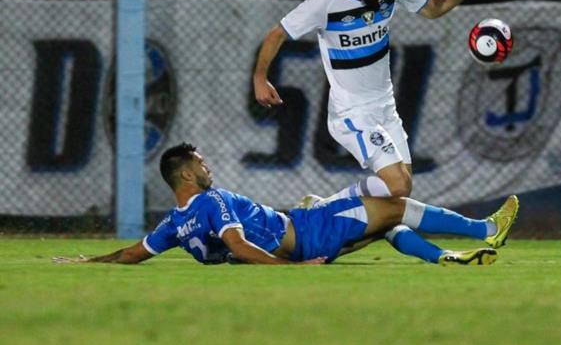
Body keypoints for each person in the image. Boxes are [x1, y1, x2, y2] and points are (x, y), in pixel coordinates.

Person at [252, 0, 481, 206]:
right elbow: (278, 33)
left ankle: (332, 217)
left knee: (401, 189)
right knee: (398, 184)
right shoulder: (326, 3)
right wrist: (260, 77)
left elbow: (432, 7)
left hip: (385, 107)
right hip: (353, 112)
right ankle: (325, 206)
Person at [54, 143, 518, 266]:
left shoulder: (175, 224)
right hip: (305, 233)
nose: (207, 165)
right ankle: (483, 232)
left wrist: (88, 260)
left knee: (378, 220)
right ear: (187, 174)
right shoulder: (212, 200)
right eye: (201, 162)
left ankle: (447, 258)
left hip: (302, 226)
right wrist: (293, 268)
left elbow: (135, 253)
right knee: (393, 204)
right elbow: (237, 245)